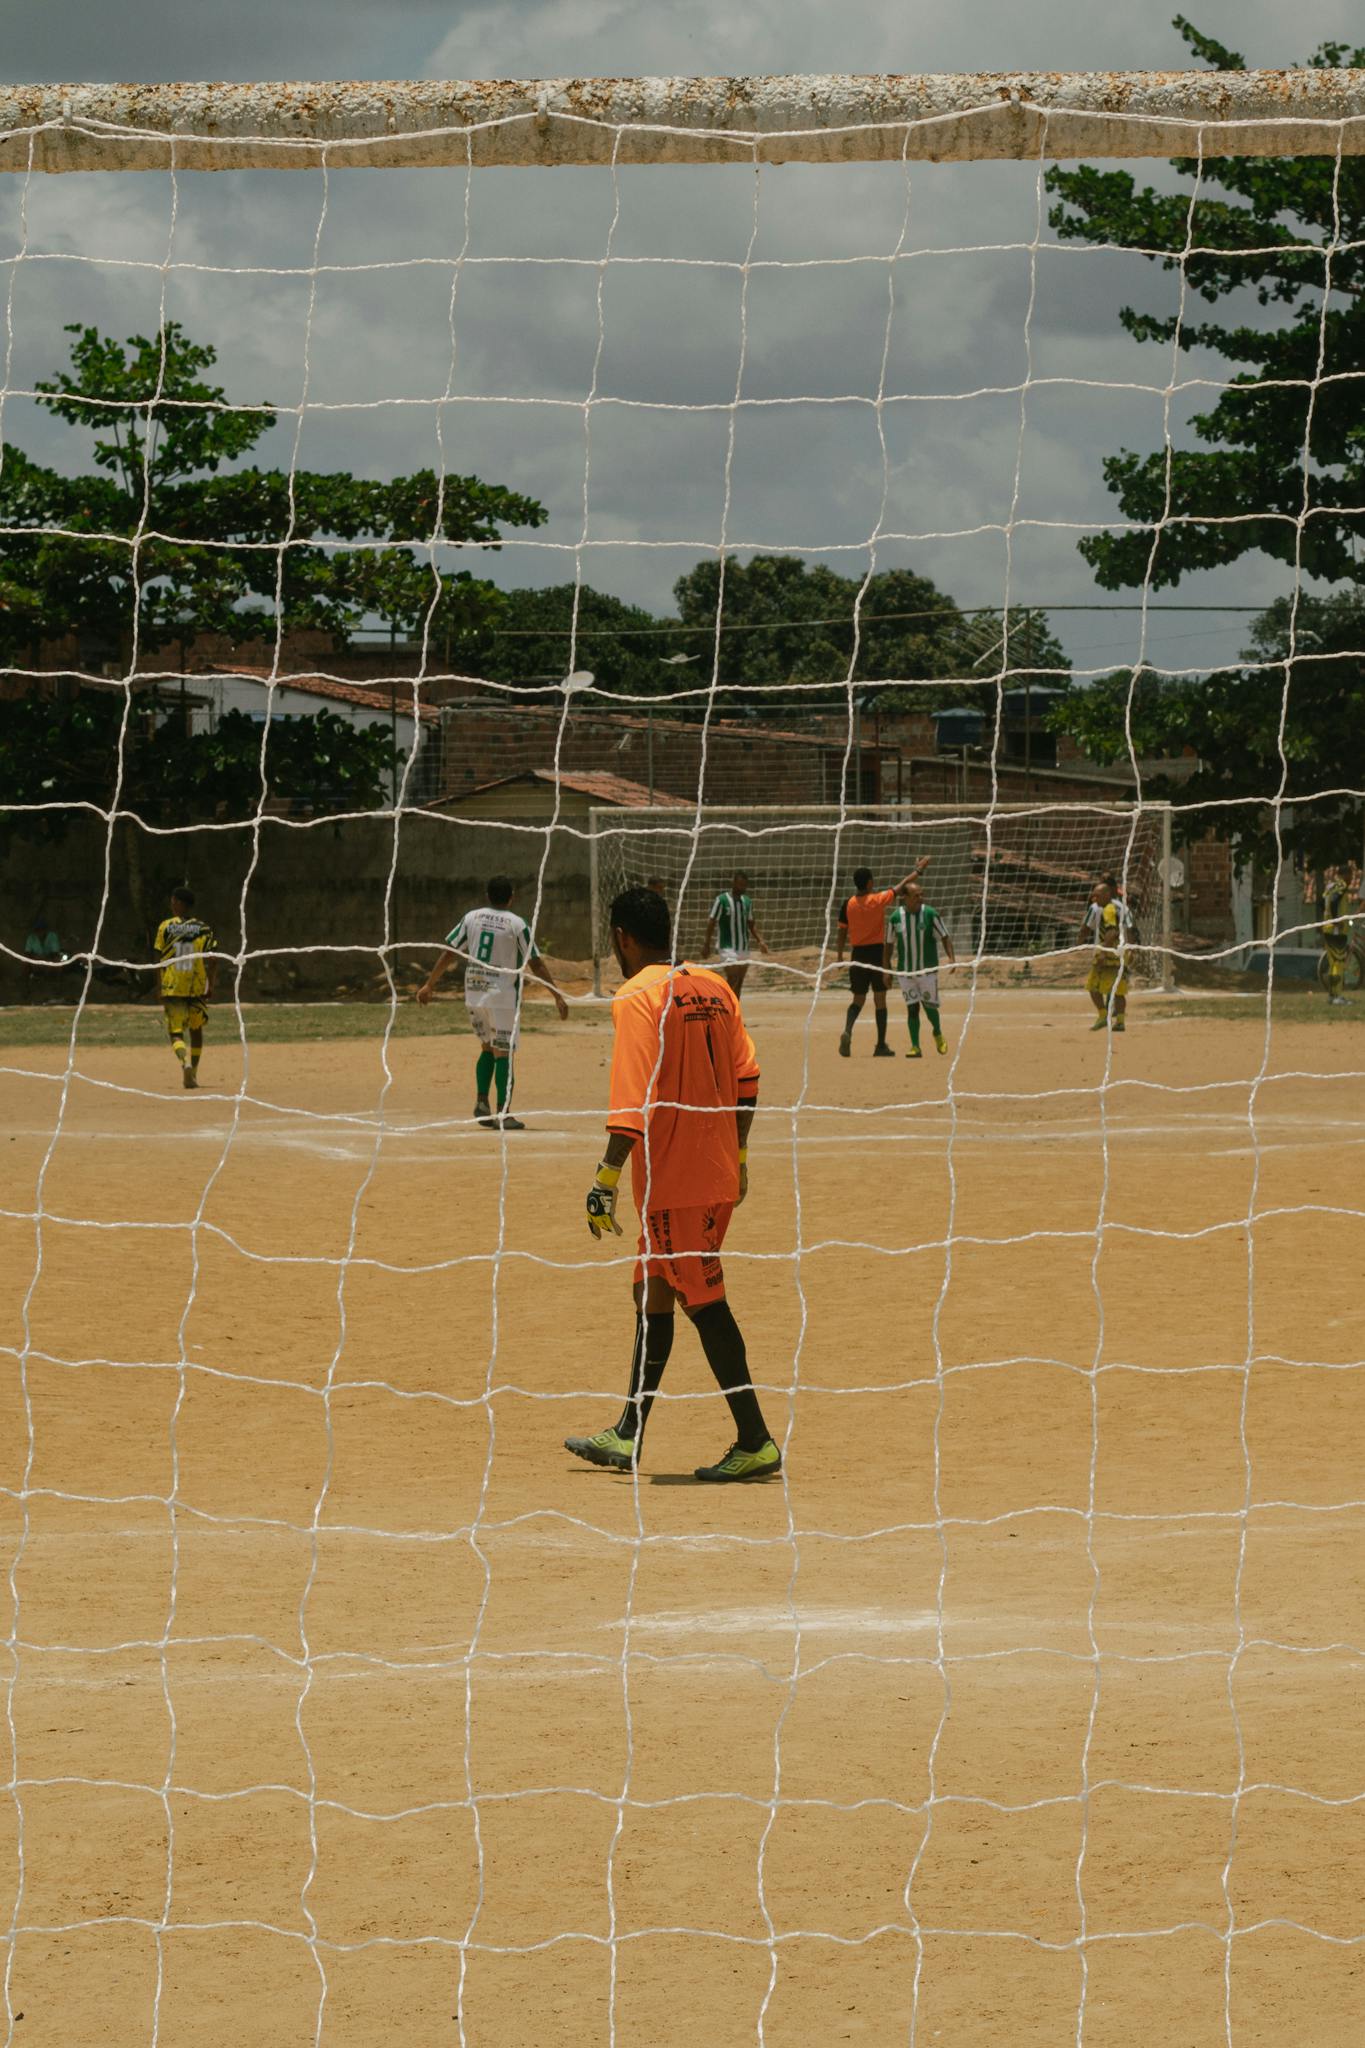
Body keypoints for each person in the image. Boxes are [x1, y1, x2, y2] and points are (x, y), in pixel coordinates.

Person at [565, 884, 780, 1483]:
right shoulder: (715, 987)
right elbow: (749, 1077)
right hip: (710, 1171)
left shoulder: (636, 997)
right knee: (653, 1290)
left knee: (703, 1300)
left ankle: (756, 1439)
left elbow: (629, 1097)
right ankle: (629, 1432)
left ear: (621, 939)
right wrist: (737, 1158)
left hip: (674, 1180)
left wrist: (604, 1178)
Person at [415, 874, 568, 1130]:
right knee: (504, 1052)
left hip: (474, 991)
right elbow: (536, 963)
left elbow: (450, 952)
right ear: (512, 897)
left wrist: (430, 984)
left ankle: (482, 1102)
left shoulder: (471, 917)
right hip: (502, 996)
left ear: (487, 896)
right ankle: (504, 1113)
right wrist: (557, 994)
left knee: (487, 1047)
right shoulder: (517, 924)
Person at [836, 857, 930, 1057]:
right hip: (877, 954)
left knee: (858, 999)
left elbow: (841, 932)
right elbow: (901, 886)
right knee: (880, 1000)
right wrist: (918, 871)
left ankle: (848, 1030)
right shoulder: (878, 900)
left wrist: (838, 956)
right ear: (869, 882)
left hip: (857, 954)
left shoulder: (848, 904)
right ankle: (880, 1045)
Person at [153, 886, 216, 1089]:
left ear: (180, 903)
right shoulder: (203, 928)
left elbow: (157, 958)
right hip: (196, 984)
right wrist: (211, 982)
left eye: (173, 901)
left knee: (175, 1031)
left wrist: (159, 985)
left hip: (173, 984)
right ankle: (194, 1072)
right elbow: (214, 958)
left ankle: (184, 1063)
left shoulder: (166, 927)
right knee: (196, 1029)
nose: (171, 904)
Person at [885, 880, 954, 1057]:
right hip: (905, 973)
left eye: (921, 894)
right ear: (905, 898)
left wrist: (951, 957)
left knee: (930, 1007)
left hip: (927, 972)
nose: (920, 898)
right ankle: (915, 1046)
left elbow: (945, 936)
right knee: (912, 1008)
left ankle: (937, 1032)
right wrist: (887, 969)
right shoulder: (895, 918)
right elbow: (889, 944)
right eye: (916, 896)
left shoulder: (930, 914)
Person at [703, 869, 772, 995]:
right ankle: (725, 1006)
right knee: (733, 978)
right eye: (740, 884)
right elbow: (711, 922)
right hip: (727, 947)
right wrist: (706, 944)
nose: (742, 888)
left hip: (743, 948)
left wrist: (760, 940)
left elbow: (751, 924)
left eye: (744, 885)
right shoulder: (721, 900)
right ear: (733, 883)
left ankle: (735, 1010)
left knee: (739, 982)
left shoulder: (747, 902)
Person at [1081, 877, 1136, 1033]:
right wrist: (1132, 949)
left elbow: (1111, 932)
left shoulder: (1108, 910)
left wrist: (1103, 951)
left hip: (1109, 954)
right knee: (1118, 989)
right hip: (1120, 953)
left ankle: (1103, 1015)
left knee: (1093, 986)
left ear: (1107, 894)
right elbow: (1130, 929)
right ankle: (1120, 1021)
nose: (1094, 898)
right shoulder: (1122, 907)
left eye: (1097, 895)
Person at [1320, 867, 1358, 1006]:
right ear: (1343, 874)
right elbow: (1335, 901)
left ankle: (1332, 995)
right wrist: (1336, 920)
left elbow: (1321, 902)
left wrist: (1327, 919)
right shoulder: (1341, 885)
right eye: (1350, 874)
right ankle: (1337, 996)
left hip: (1327, 928)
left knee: (1333, 963)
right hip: (1336, 930)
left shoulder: (1329, 887)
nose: (1351, 878)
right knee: (1338, 963)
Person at [23, 914, 65, 1001]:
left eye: (41, 929)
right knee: (24, 963)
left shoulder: (52, 936)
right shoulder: (31, 937)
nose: (40, 932)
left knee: (59, 962)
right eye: (37, 930)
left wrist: (45, 958)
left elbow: (56, 953)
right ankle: (26, 989)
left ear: (45, 929)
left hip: (49, 960)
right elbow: (27, 953)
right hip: (35, 961)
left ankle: (58, 986)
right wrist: (35, 958)